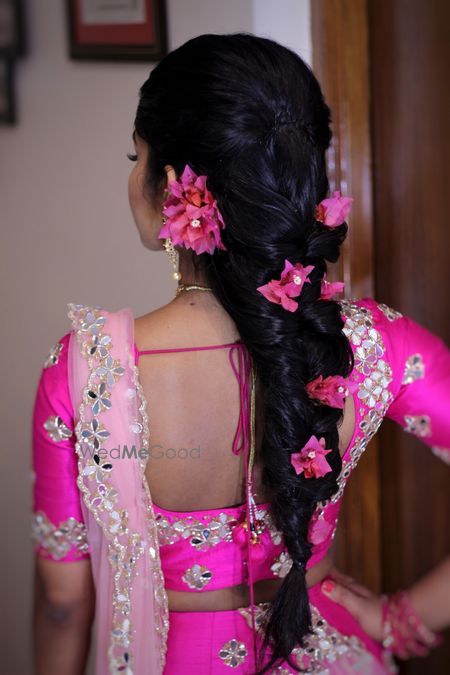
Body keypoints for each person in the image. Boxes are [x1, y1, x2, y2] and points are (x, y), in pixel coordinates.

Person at [31, 33, 450, 675]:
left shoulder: (86, 371)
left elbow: (63, 604)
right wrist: (406, 619)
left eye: (133, 155)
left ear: (173, 185)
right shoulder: (371, 343)